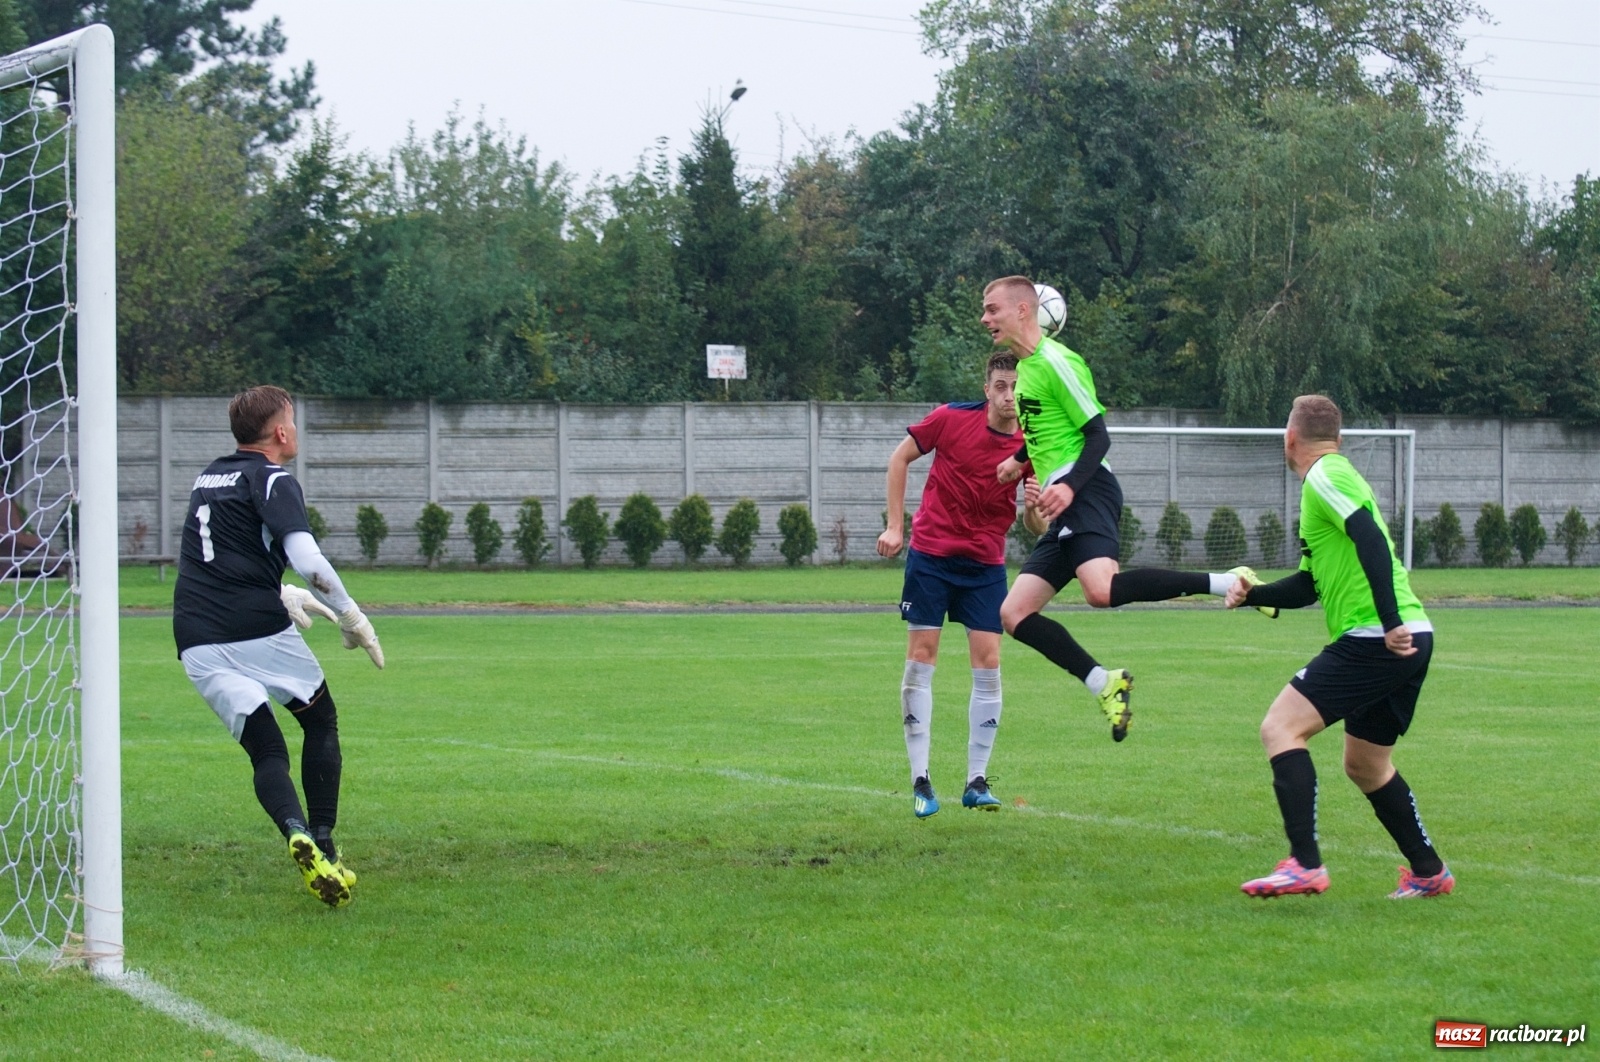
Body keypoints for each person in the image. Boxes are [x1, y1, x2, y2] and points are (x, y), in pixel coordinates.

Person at [984, 275, 1263, 742]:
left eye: (992, 308)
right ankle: (1104, 682)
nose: (985, 318)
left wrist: (1071, 487)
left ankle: (1229, 581)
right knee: (1013, 614)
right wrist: (1017, 462)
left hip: (1088, 488)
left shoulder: (1058, 362)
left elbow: (1097, 435)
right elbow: (1054, 433)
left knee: (1101, 590)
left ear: (1022, 311)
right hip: (1066, 494)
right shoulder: (1028, 369)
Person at [1226, 395, 1452, 899]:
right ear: (1338, 437)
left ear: (1290, 439)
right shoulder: (1330, 483)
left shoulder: (1326, 474)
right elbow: (1310, 585)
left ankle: (1304, 863)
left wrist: (1389, 621)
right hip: (1407, 635)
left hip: (1378, 636)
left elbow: (1370, 536)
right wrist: (1253, 596)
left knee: (1280, 727)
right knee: (1366, 766)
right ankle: (1429, 871)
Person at [173, 386, 385, 908]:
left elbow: (224, 553)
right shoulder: (273, 479)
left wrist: (277, 589)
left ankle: (296, 832)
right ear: (281, 431)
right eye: (293, 420)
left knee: (266, 750)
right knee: (320, 720)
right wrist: (351, 614)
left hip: (194, 634)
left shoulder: (210, 476)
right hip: (254, 629)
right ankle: (327, 842)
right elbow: (309, 559)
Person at [877, 352, 1047, 818]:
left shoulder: (1033, 443)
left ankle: (976, 780)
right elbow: (899, 458)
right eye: (1000, 386)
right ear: (987, 386)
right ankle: (921, 780)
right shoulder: (951, 419)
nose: (1009, 396)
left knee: (989, 662)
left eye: (1016, 387)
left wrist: (1033, 508)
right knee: (921, 658)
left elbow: (1034, 526)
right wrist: (896, 526)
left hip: (985, 566)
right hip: (931, 557)